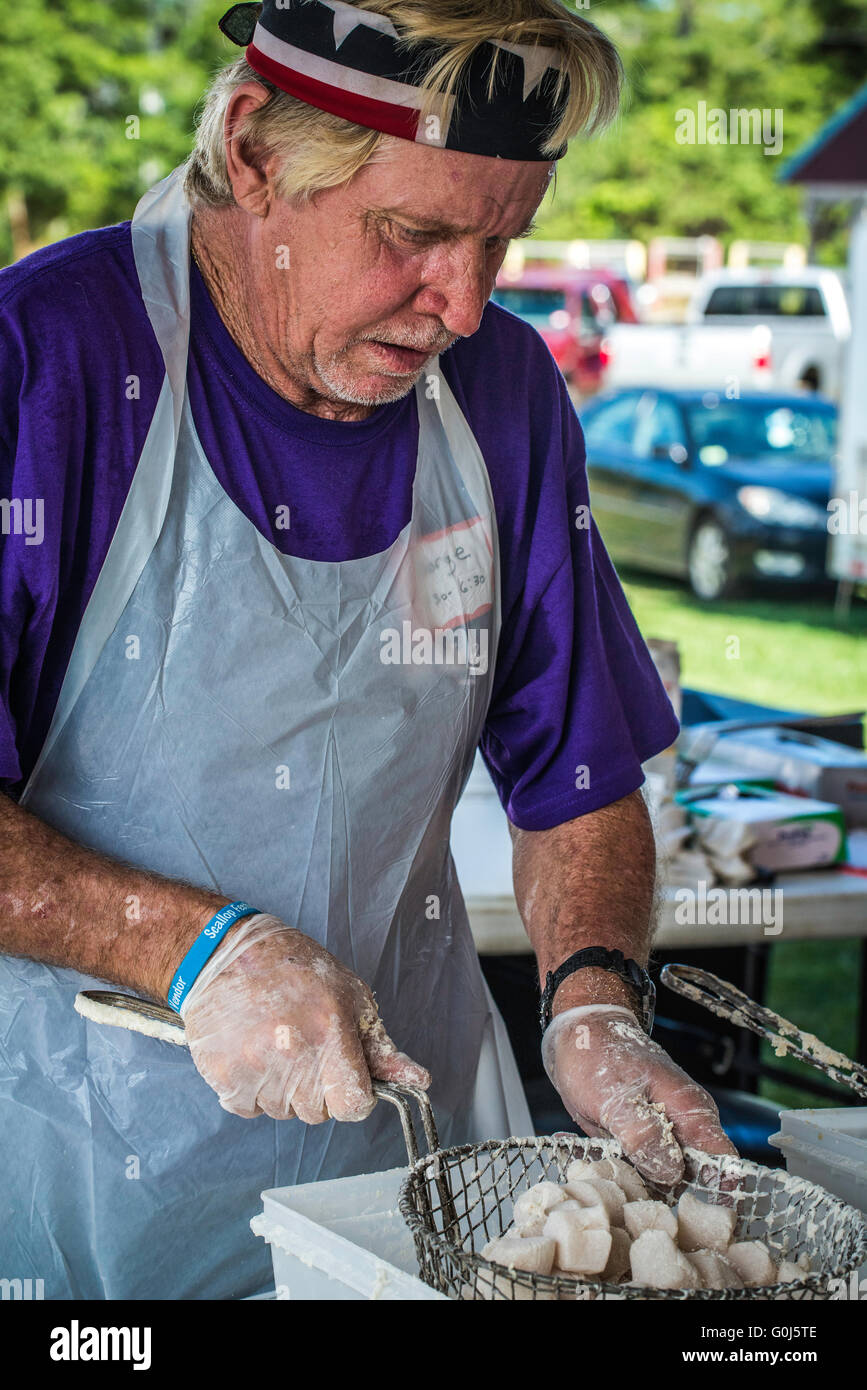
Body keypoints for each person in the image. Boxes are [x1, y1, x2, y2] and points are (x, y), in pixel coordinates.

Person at [0, 0, 736, 1300]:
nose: (463, 301)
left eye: (502, 241)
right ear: (253, 152)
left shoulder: (504, 393)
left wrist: (592, 999)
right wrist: (200, 947)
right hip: (86, 1193)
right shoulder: (49, 360)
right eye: (414, 234)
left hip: (417, 1186)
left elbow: (580, 778)